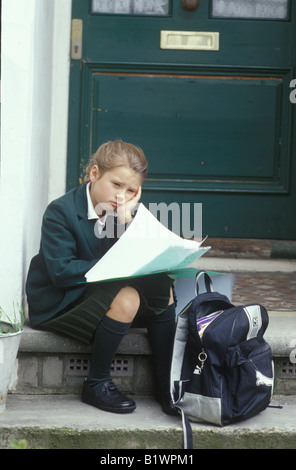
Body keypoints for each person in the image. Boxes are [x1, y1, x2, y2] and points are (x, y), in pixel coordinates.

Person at [26, 140, 177, 415]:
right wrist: (118, 267)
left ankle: (167, 384)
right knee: (128, 296)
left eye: (131, 190)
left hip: (101, 293)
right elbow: (61, 273)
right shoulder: (60, 212)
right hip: (60, 300)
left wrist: (126, 224)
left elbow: (141, 262)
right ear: (94, 173)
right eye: (116, 184)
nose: (122, 195)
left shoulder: (127, 213)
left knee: (162, 285)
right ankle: (96, 383)